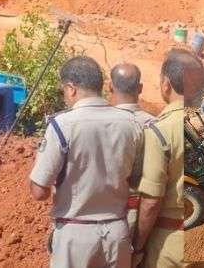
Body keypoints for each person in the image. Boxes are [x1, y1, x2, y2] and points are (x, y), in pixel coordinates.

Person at [29, 56, 143, 268]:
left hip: (75, 236)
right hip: (117, 233)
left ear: (71, 88)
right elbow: (136, 180)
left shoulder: (62, 125)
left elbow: (39, 192)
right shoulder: (131, 124)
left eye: (64, 90)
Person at [134, 48, 202, 268]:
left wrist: (137, 246)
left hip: (170, 243)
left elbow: (151, 202)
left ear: (166, 84)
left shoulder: (159, 132)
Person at [109, 62, 156, 254]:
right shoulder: (155, 125)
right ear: (141, 88)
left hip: (101, 216)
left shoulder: (99, 123)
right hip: (139, 217)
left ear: (110, 87)